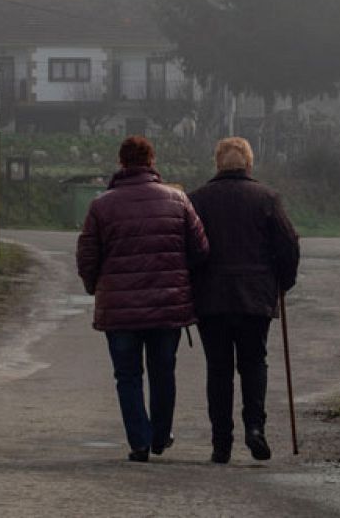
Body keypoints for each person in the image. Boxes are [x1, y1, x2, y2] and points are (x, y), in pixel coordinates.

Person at [76, 135, 209, 462]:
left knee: (128, 376)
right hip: (167, 305)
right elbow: (200, 249)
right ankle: (161, 436)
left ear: (121, 163)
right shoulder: (177, 200)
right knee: (164, 371)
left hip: (120, 309)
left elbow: (87, 256)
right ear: (152, 161)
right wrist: (180, 278)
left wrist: (96, 287)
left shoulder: (101, 205)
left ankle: (139, 441)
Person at [188, 136, 301, 464]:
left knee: (218, 369)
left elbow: (190, 250)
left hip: (212, 299)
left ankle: (221, 443)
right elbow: (289, 245)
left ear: (217, 164)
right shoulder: (267, 198)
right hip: (256, 296)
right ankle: (255, 428)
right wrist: (283, 282)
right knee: (253, 363)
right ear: (249, 165)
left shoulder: (197, 200)